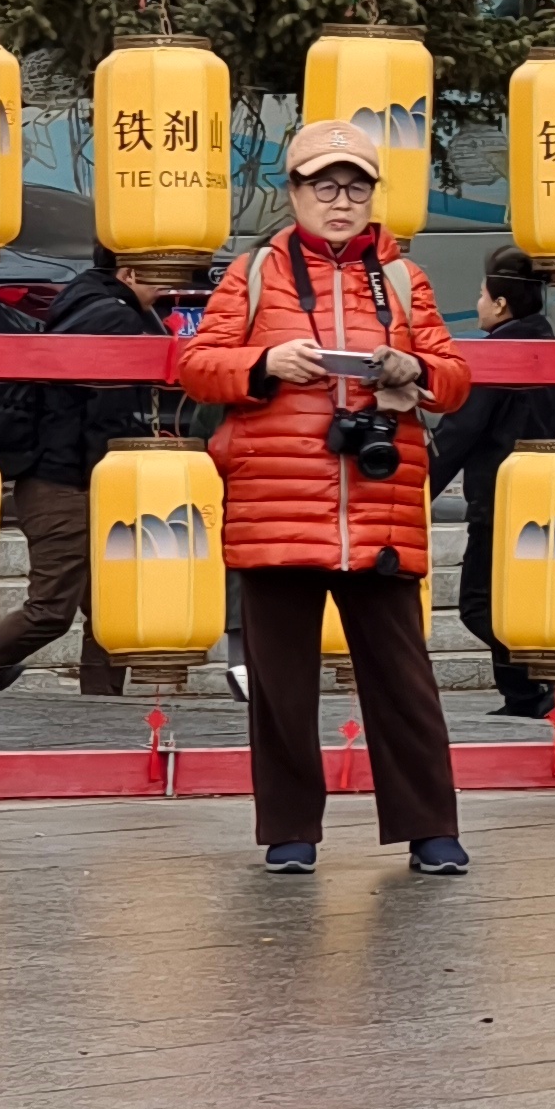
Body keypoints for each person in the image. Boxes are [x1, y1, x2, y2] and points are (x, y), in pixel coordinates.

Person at [174, 119, 475, 874]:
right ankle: (289, 833)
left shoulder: (402, 279)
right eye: (324, 186)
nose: (341, 202)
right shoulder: (253, 273)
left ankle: (430, 829)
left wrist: (410, 370)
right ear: (295, 192)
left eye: (356, 188)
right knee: (280, 687)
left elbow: (455, 379)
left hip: (379, 505)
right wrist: (267, 363)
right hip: (276, 506)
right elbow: (197, 366)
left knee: (404, 682)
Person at [0, 246, 160, 694]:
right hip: (68, 480)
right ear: (128, 273)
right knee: (52, 609)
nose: (165, 287)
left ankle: (102, 704)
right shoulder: (115, 318)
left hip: (66, 475)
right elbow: (105, 415)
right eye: (158, 275)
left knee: (109, 608)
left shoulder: (81, 303)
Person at [428, 246, 555, 720]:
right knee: (520, 600)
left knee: (479, 604)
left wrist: (418, 486)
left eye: (481, 295)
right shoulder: (553, 347)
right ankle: (524, 697)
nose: (478, 304)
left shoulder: (498, 356)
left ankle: (549, 673)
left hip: (500, 496)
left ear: (501, 304)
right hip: (551, 496)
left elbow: (460, 432)